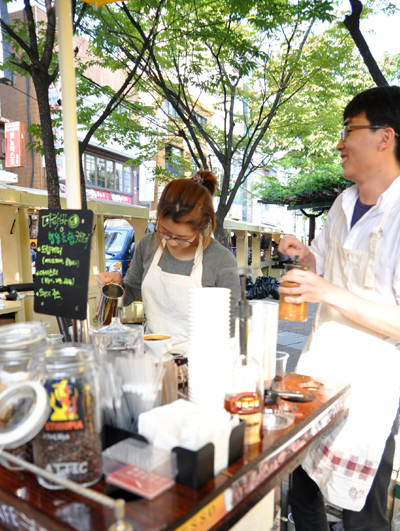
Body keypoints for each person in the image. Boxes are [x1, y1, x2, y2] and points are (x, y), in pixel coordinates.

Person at [278, 86, 400, 531]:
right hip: (321, 370)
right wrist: (304, 258)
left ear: (385, 137)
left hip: (373, 386)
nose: (339, 143)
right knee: (302, 490)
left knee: (361, 514)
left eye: (349, 130)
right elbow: (323, 264)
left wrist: (325, 290)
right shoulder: (342, 203)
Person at [97, 170, 240, 349]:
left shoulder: (221, 259)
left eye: (182, 238)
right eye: (165, 233)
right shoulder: (148, 244)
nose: (172, 243)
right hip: (152, 351)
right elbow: (129, 293)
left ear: (203, 225)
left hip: (201, 356)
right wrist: (115, 286)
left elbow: (233, 324)